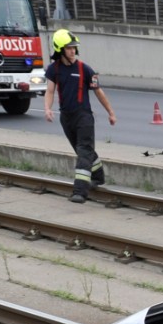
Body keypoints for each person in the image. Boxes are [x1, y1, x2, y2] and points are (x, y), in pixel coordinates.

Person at [41, 29, 117, 204]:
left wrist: (111, 113)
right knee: (83, 150)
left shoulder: (86, 69)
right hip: (66, 117)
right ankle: (98, 177)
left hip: (84, 117)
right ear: (60, 50)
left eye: (74, 47)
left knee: (83, 151)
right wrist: (47, 109)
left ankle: (80, 192)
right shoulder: (54, 69)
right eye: (68, 48)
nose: (72, 51)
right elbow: (50, 91)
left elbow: (99, 92)